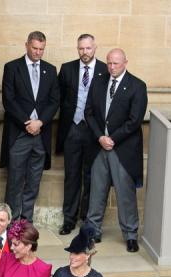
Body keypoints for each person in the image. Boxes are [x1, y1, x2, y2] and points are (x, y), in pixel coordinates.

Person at [84, 48, 148, 253]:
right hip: (99, 147)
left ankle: (130, 235)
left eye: (116, 63)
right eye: (109, 63)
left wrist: (112, 138)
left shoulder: (137, 86)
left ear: (125, 63)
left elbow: (134, 120)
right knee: (97, 191)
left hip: (123, 149)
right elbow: (89, 113)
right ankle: (92, 231)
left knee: (125, 194)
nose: (111, 67)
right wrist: (100, 137)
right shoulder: (98, 81)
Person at [0, 30, 60, 221]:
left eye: (41, 49)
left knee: (34, 181)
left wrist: (40, 122)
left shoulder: (50, 70)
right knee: (15, 181)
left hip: (40, 135)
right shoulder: (12, 67)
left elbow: (54, 101)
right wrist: (28, 123)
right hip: (20, 132)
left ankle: (26, 222)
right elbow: (8, 100)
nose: (38, 52)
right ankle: (10, 222)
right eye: (34, 48)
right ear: (26, 45)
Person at [56, 34, 108, 235]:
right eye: (81, 49)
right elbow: (58, 97)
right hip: (72, 129)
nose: (84, 52)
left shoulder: (105, 69)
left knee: (91, 176)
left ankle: (87, 219)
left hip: (94, 131)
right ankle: (69, 219)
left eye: (88, 48)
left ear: (95, 47)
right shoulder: (67, 68)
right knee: (71, 176)